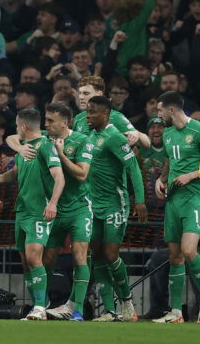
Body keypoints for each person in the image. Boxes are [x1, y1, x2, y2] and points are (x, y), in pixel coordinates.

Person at [7, 102, 93, 322]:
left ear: (65, 122)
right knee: (43, 260)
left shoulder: (82, 141)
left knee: (79, 256)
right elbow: (13, 137)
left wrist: (61, 154)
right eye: (45, 120)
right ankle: (42, 305)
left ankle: (77, 309)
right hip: (52, 210)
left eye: (51, 121)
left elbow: (82, 174)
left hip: (77, 208)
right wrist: (19, 148)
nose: (46, 124)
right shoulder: (43, 137)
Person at [0, 108, 65, 320]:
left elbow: (59, 177)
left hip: (38, 211)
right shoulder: (24, 149)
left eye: (16, 125)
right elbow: (16, 172)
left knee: (33, 257)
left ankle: (39, 307)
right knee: (25, 261)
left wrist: (53, 203)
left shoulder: (45, 146)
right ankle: (41, 303)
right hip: (22, 211)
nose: (15, 129)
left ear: (23, 126)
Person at [153, 91, 200, 324]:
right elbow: (170, 160)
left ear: (171, 110)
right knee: (175, 255)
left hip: (195, 197)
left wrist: (191, 175)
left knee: (189, 250)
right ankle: (175, 312)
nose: (158, 115)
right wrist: (161, 179)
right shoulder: (168, 133)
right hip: (173, 199)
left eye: (160, 110)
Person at [85, 96, 146, 322]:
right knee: (97, 255)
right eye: (87, 111)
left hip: (115, 204)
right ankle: (110, 311)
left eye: (92, 112)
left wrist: (140, 200)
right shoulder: (90, 136)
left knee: (111, 254)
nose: (88, 116)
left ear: (105, 114)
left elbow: (133, 168)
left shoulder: (114, 137)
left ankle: (127, 302)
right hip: (93, 205)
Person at [73, 76, 150, 148]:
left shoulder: (114, 116)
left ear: (99, 94)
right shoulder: (78, 118)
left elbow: (147, 144)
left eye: (86, 93)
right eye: (80, 93)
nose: (81, 97)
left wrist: (137, 134)